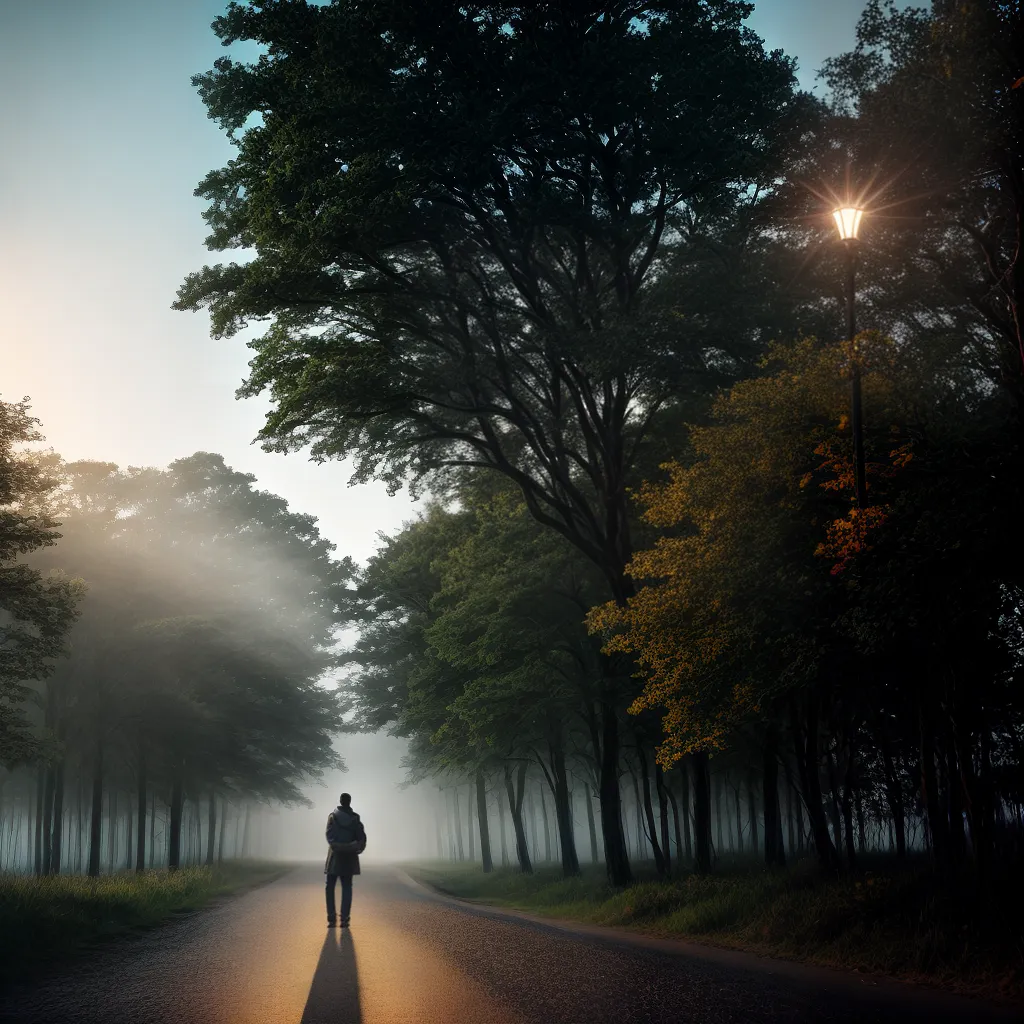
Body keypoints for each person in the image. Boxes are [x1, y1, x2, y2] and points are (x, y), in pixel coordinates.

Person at [324, 792, 366, 928]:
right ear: (349, 802)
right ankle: (345, 919)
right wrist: (356, 848)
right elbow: (361, 838)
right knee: (347, 887)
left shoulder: (333, 817)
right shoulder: (355, 818)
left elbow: (329, 836)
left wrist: (337, 846)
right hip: (349, 857)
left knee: (330, 887)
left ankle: (331, 919)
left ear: (341, 802)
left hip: (335, 856)